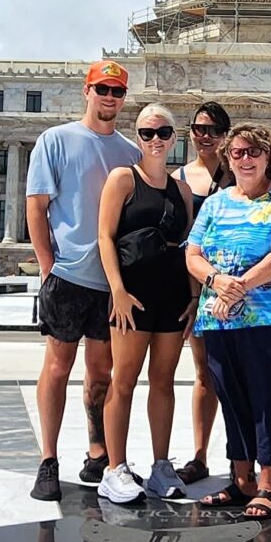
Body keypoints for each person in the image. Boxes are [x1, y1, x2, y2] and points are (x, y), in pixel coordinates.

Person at [185, 123, 271, 520]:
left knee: (269, 397)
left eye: (254, 152)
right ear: (228, 157)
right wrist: (217, 281)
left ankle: (268, 484)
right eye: (238, 153)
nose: (246, 159)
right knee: (231, 396)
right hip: (220, 318)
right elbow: (192, 253)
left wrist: (237, 286)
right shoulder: (215, 203)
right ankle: (240, 479)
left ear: (268, 158)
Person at [25, 59, 141, 501]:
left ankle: (97, 453)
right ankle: (48, 459)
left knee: (100, 373)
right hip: (69, 276)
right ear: (86, 91)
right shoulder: (55, 140)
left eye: (117, 91)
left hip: (111, 283)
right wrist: (47, 264)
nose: (109, 98)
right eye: (102, 89)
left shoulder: (131, 153)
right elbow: (36, 206)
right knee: (57, 367)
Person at [96, 104, 196, 504]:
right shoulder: (123, 179)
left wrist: (192, 295)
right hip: (132, 294)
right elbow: (105, 237)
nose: (156, 139)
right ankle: (114, 468)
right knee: (123, 379)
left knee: (164, 381)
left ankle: (160, 466)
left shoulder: (182, 190)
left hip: (171, 293)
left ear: (175, 138)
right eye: (147, 132)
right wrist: (117, 290)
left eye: (164, 132)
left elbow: (189, 246)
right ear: (136, 137)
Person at [170, 101, 234, 486]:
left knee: (239, 374)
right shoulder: (178, 178)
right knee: (204, 373)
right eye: (198, 129)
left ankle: (242, 456)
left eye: (213, 130)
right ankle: (199, 454)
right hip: (194, 283)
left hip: (237, 284)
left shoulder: (240, 171)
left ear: (225, 135)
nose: (204, 136)